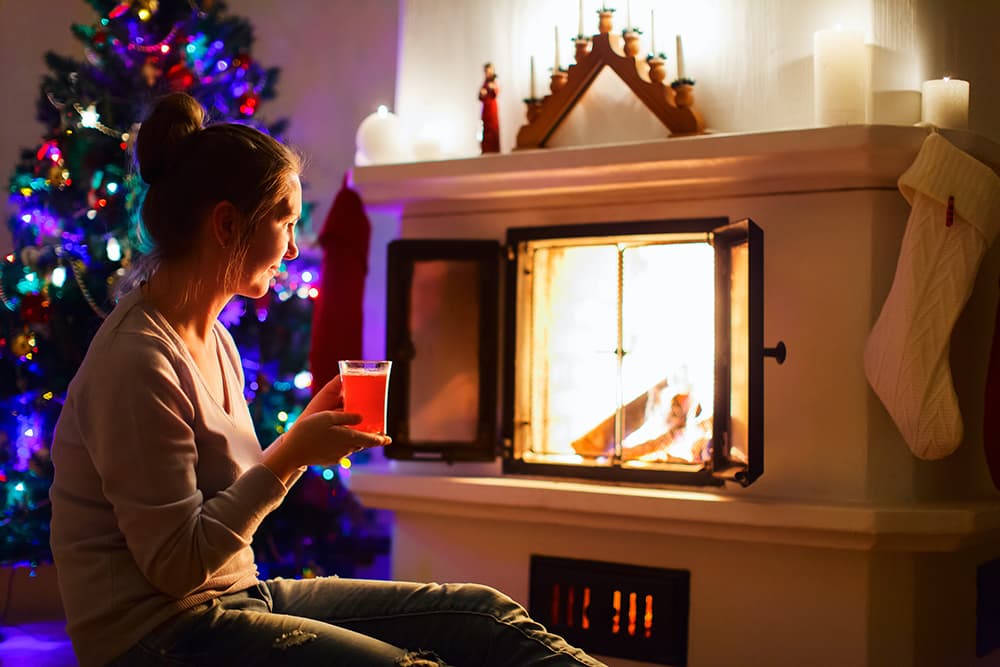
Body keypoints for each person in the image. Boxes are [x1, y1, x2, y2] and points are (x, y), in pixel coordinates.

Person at [48, 92, 608, 667]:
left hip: (236, 599)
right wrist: (291, 453)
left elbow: (211, 527)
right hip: (156, 636)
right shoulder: (139, 360)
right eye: (285, 221)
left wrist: (301, 441)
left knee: (481, 616)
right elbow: (177, 565)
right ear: (225, 223)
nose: (293, 248)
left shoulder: (215, 341)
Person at [478, 62, 500, 154]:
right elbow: (480, 96)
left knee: (493, 130)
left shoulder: (493, 82)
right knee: (486, 130)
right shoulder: (485, 83)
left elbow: (496, 92)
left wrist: (492, 88)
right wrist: (482, 93)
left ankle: (493, 150)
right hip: (486, 110)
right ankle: (486, 149)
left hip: (491, 109)